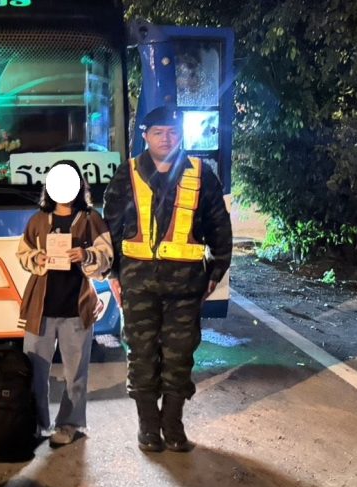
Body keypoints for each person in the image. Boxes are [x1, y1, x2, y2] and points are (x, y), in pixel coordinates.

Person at [103, 106, 232, 452]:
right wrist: (111, 274)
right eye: (158, 132)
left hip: (185, 289)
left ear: (181, 135)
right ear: (145, 136)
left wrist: (216, 272)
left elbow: (219, 227)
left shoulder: (202, 175)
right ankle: (148, 428)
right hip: (138, 285)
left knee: (179, 357)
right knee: (141, 356)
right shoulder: (127, 174)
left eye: (172, 132)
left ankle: (173, 426)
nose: (166, 138)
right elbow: (109, 230)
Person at [16, 160, 113, 448]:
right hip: (40, 310)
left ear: (80, 185)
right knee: (35, 372)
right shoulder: (38, 220)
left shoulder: (91, 219)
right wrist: (37, 258)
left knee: (75, 374)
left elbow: (107, 256)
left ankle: (70, 424)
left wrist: (86, 255)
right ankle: (37, 423)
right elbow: (22, 253)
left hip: (76, 309)